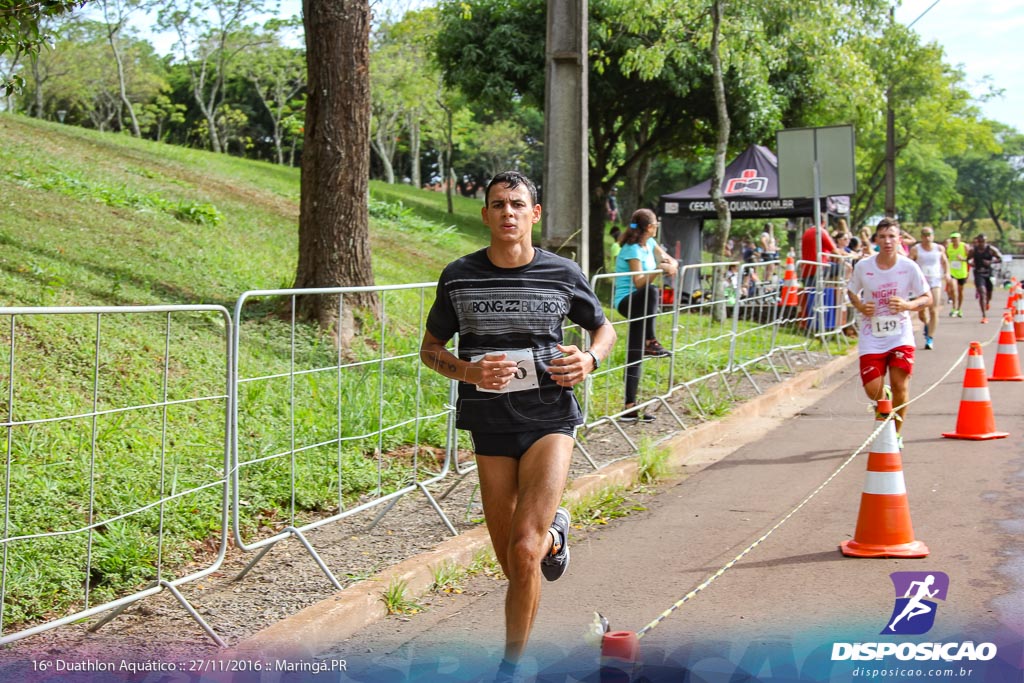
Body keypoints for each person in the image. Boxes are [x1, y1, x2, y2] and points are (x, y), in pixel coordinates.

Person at [419, 171, 616, 679]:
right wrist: (469, 371)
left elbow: (604, 327)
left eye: (517, 204)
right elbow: (430, 350)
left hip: (551, 415)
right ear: (484, 214)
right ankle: (556, 538)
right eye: (498, 204)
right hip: (489, 423)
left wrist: (589, 360)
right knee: (515, 561)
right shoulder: (459, 276)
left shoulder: (561, 272)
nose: (508, 212)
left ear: (535, 214)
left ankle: (511, 667)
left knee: (524, 548)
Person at [847, 218, 932, 445]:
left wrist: (908, 305)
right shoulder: (864, 266)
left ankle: (894, 434)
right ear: (876, 240)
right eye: (882, 237)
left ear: (899, 240)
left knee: (900, 386)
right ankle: (883, 403)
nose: (887, 241)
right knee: (872, 390)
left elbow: (928, 297)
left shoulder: (908, 267)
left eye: (892, 236)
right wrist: (860, 306)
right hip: (871, 336)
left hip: (900, 335)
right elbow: (851, 291)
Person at [613, 208, 678, 422]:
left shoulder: (649, 244)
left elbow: (669, 260)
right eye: (656, 224)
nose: (657, 227)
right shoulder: (632, 249)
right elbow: (639, 282)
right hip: (627, 300)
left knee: (635, 347)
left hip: (643, 303)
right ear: (650, 227)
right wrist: (659, 270)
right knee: (651, 290)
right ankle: (651, 340)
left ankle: (629, 406)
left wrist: (670, 265)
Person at [908, 226, 949, 349]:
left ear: (933, 236)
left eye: (929, 235)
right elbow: (910, 263)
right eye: (925, 235)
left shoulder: (939, 248)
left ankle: (930, 338)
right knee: (922, 312)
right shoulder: (916, 249)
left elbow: (945, 261)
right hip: (921, 283)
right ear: (921, 237)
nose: (927, 237)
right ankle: (927, 325)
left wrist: (947, 273)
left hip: (935, 281)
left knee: (933, 310)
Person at [967, 233, 1004, 324]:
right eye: (979, 241)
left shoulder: (991, 249)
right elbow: (967, 259)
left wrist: (991, 262)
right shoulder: (973, 250)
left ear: (986, 241)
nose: (981, 243)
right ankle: (984, 316)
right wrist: (971, 264)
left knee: (989, 293)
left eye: (983, 241)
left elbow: (1000, 258)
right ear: (977, 241)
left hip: (988, 273)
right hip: (978, 273)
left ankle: (987, 302)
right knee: (982, 293)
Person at [945, 232, 968, 317]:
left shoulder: (964, 246)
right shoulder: (949, 247)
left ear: (959, 239)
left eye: (956, 238)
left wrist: (963, 259)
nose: (954, 240)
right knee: (953, 289)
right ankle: (954, 308)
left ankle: (959, 308)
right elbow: (946, 258)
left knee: (960, 291)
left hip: (962, 272)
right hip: (952, 272)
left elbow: (969, 258)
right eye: (953, 238)